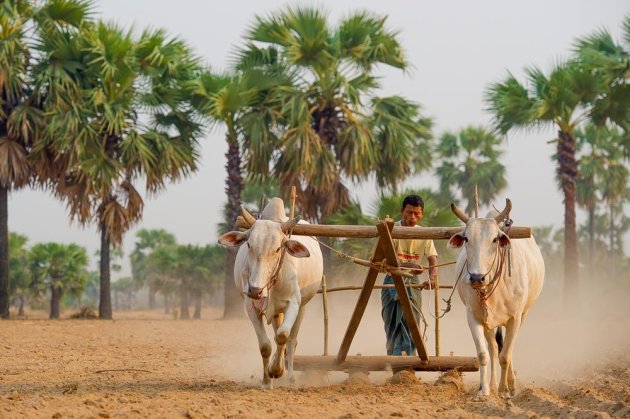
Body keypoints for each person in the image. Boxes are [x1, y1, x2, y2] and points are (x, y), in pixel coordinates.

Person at [381, 194, 438, 356]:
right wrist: (409, 265)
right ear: (402, 212)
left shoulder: (424, 234)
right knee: (392, 323)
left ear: (422, 214)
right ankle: (394, 360)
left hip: (414, 281)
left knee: (412, 322)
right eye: (409, 212)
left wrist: (431, 278)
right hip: (392, 280)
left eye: (416, 213)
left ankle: (410, 362)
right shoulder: (390, 231)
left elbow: (433, 258)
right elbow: (385, 261)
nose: (412, 217)